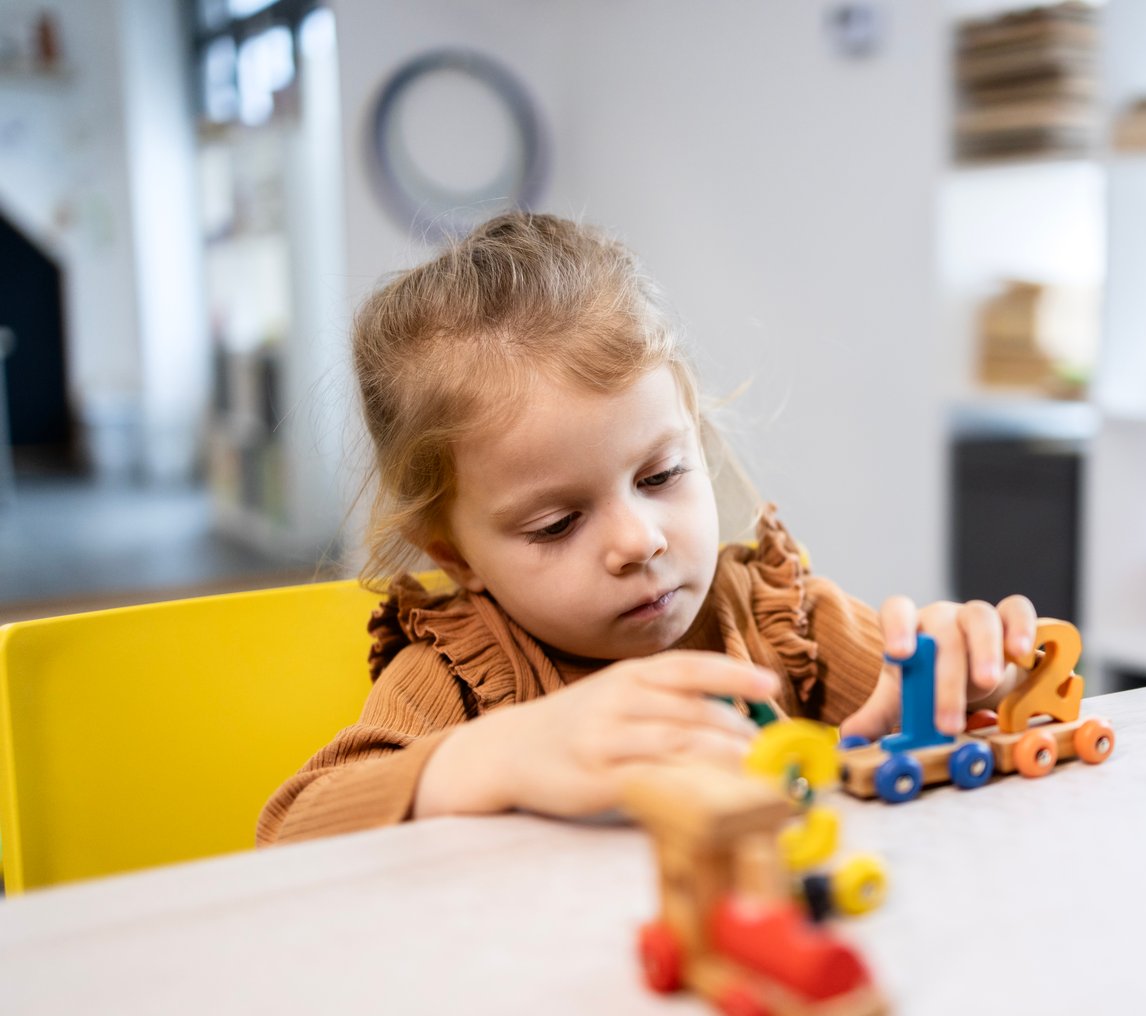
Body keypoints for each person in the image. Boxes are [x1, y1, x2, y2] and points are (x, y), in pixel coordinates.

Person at [258, 212, 1037, 845]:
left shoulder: (775, 616)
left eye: (660, 477)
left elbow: (937, 711)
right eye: (558, 523)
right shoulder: (460, 674)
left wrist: (972, 671)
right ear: (458, 557)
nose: (640, 541)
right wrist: (497, 756)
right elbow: (291, 829)